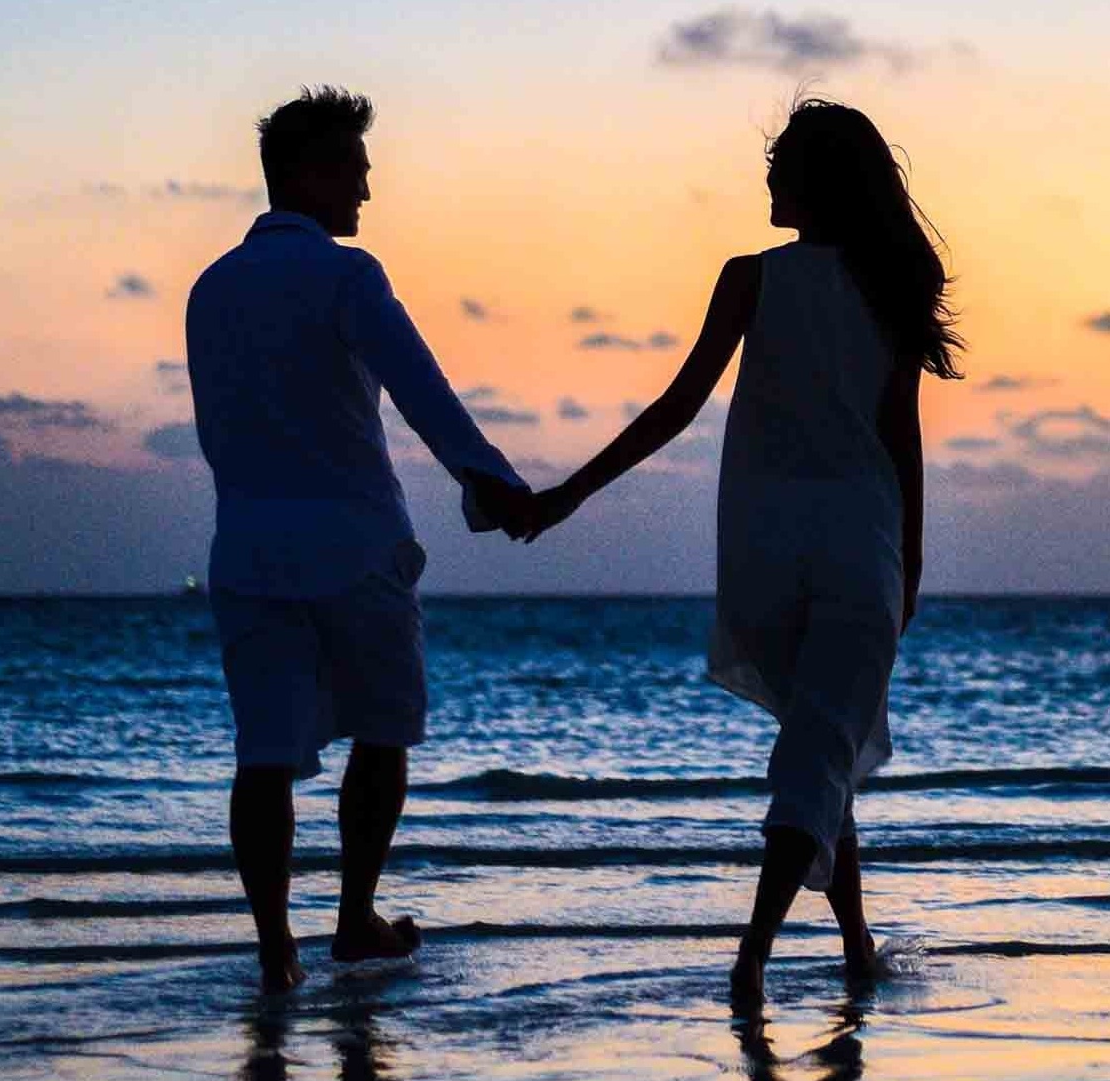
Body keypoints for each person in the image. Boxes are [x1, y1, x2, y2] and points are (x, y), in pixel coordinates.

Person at [522, 98, 961, 1005]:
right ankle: (752, 958)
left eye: (779, 164)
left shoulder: (749, 277)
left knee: (820, 748)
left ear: (815, 181)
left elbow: (677, 407)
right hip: (859, 548)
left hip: (763, 556)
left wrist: (569, 493)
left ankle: (855, 946)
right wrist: (910, 564)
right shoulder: (889, 286)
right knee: (816, 756)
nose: (766, 177)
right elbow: (900, 437)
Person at [184, 85, 540, 993]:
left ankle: (275, 948)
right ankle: (353, 918)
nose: (366, 195)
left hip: (249, 549)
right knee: (382, 732)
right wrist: (491, 482)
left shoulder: (209, 288)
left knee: (264, 754)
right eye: (355, 171)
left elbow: (218, 426)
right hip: (353, 543)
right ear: (307, 171)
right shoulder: (349, 276)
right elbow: (419, 389)